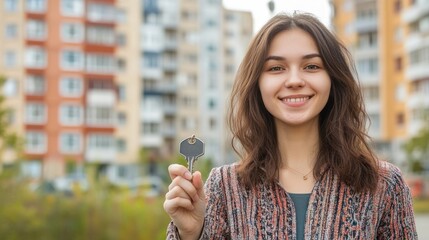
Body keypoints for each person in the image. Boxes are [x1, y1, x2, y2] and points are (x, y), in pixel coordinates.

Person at [163, 12, 418, 239]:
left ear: (333, 79)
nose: (294, 80)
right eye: (276, 68)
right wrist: (190, 233)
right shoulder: (225, 186)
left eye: (311, 66)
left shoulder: (384, 185)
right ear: (258, 84)